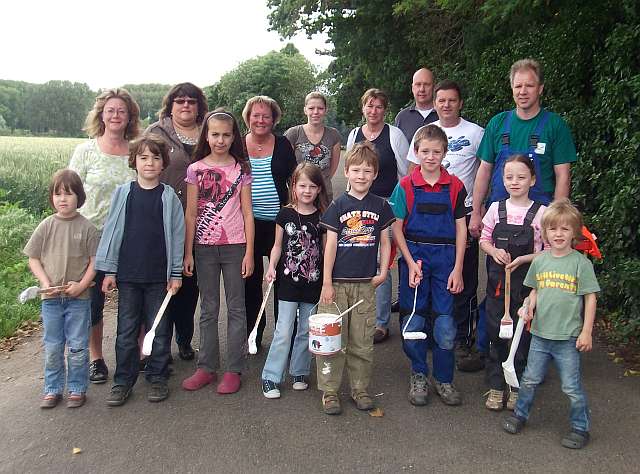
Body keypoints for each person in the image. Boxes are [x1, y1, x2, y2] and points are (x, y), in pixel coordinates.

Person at [503, 199, 599, 450]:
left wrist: (587, 331)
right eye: (553, 229)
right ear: (544, 232)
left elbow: (590, 299)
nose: (558, 234)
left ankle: (580, 427)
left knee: (571, 386)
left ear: (574, 233)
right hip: (540, 335)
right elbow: (534, 291)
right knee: (530, 379)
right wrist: (528, 305)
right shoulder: (541, 261)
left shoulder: (581, 264)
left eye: (565, 229)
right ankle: (520, 414)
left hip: (567, 338)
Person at [95, 134, 184, 406]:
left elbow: (178, 236)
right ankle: (123, 381)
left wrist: (176, 273)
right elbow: (111, 232)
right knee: (126, 330)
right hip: (129, 276)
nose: (149, 163)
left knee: (158, 329)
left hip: (160, 278)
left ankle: (157, 376)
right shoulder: (123, 193)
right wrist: (109, 271)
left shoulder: (169, 197)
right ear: (134, 161)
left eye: (156, 158)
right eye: (144, 157)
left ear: (163, 163)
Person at [407, 80, 485, 372]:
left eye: (452, 100)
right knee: (426, 281)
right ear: (435, 103)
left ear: (460, 102)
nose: (446, 105)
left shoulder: (476, 133)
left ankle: (463, 341)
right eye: (441, 100)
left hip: (462, 216)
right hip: (428, 220)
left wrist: (477, 210)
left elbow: (484, 171)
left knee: (462, 281)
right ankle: (429, 336)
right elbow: (414, 173)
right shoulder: (422, 134)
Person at [390, 124, 467, 406]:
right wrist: (410, 263)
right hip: (416, 259)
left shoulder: (456, 186)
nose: (431, 157)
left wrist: (458, 268)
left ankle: (444, 379)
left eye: (437, 152)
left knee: (446, 324)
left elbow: (461, 229)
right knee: (414, 319)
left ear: (445, 153)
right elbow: (396, 228)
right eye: (425, 151)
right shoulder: (406, 186)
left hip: (446, 260)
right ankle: (419, 373)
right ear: (417, 152)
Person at [317, 141, 395, 415]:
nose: (361, 175)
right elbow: (330, 245)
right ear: (346, 172)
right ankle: (329, 391)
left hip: (365, 285)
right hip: (336, 284)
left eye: (367, 171)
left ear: (375, 174)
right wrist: (326, 282)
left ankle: (360, 388)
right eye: (356, 170)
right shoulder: (337, 206)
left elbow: (385, 243)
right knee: (332, 341)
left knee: (362, 341)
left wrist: (383, 271)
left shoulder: (381, 207)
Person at [69, 88, 140, 384]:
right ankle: (96, 358)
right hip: (92, 238)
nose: (115, 115)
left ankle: (137, 355)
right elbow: (70, 190)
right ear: (101, 114)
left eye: (121, 111)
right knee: (94, 301)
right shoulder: (85, 151)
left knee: (133, 299)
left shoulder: (136, 150)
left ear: (129, 117)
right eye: (110, 110)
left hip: (130, 237)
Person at [181, 110, 254, 395]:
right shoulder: (195, 169)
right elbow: (190, 214)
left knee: (236, 308)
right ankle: (206, 367)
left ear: (234, 136)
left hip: (235, 246)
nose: (220, 140)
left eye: (226, 134)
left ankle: (234, 369)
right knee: (208, 309)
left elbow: (248, 213)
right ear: (206, 136)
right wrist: (188, 253)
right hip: (204, 248)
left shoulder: (241, 169)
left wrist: (249, 252)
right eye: (215, 134)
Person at [469, 58, 578, 239]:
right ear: (512, 88)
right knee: (498, 267)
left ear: (540, 88)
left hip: (540, 220)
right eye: (518, 86)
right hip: (500, 219)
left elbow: (563, 176)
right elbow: (484, 170)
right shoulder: (498, 123)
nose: (523, 91)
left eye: (529, 86)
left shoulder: (555, 125)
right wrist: (475, 211)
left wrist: (556, 220)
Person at [24, 170, 99, 409]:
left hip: (78, 299)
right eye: (57, 194)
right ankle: (53, 389)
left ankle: (77, 388)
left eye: (68, 193)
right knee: (54, 347)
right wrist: (45, 283)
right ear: (52, 198)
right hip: (51, 301)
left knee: (77, 346)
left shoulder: (87, 227)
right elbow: (33, 258)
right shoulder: (46, 226)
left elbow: (95, 262)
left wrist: (82, 285)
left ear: (80, 196)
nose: (63, 199)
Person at [479, 155, 547, 411]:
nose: (514, 182)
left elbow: (550, 250)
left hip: (528, 287)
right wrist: (493, 251)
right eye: (509, 177)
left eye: (521, 177)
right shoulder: (496, 208)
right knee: (497, 335)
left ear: (532, 180)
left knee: (523, 338)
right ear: (502, 180)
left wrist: (525, 259)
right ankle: (496, 386)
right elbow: (485, 239)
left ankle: (517, 387)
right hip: (498, 287)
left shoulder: (541, 213)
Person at [146, 82, 209, 361]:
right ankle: (162, 345)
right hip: (163, 219)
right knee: (164, 283)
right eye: (180, 100)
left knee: (189, 283)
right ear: (170, 105)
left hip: (201, 220)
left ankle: (185, 339)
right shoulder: (156, 133)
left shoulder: (209, 131)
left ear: (199, 106)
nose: (186, 105)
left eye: (191, 101)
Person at [346, 88, 409, 343]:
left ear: (385, 110)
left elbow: (405, 174)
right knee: (360, 260)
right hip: (359, 204)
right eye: (369, 106)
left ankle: (381, 323)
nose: (374, 111)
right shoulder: (353, 134)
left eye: (379, 107)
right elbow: (351, 170)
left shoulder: (394, 135)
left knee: (383, 262)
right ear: (363, 108)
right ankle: (361, 316)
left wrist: (399, 207)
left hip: (386, 205)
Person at [261, 163, 328, 399]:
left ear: (319, 189)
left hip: (313, 283)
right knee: (283, 330)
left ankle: (299, 371)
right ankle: (270, 376)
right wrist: (271, 267)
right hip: (287, 283)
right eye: (302, 186)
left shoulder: (323, 217)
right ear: (293, 187)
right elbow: (277, 246)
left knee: (305, 330)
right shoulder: (285, 214)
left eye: (312, 186)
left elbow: (327, 250)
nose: (307, 191)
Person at [242, 96, 297, 351]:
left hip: (279, 224)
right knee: (250, 281)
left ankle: (283, 336)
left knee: (281, 280)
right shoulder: (239, 145)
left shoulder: (283, 144)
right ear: (248, 117)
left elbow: (295, 180)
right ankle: (255, 333)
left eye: (266, 116)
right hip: (248, 225)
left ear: (274, 119)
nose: (261, 120)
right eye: (256, 115)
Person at [285, 91, 342, 201]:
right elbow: (287, 165)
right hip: (299, 195)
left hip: (324, 194)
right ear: (305, 110)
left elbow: (332, 168)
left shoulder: (333, 135)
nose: (315, 112)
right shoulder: (293, 133)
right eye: (311, 108)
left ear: (326, 110)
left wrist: (319, 183)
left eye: (320, 108)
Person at [394, 68, 439, 143]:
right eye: (418, 84)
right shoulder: (402, 118)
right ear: (412, 88)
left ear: (434, 87)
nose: (422, 89)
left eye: (426, 84)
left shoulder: (444, 114)